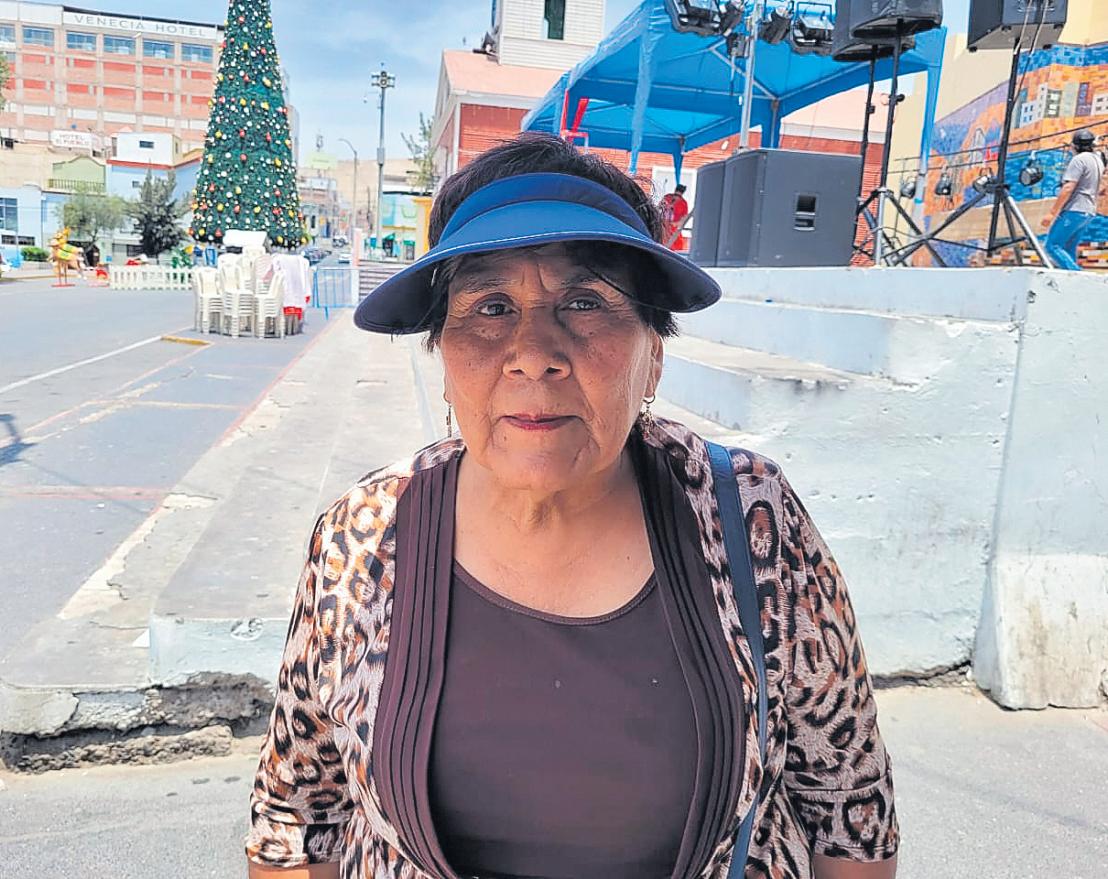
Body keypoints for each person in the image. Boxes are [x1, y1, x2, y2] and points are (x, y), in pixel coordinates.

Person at [245, 133, 898, 879]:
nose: (534, 354)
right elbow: (298, 819)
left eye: (585, 303)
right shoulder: (362, 540)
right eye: (490, 307)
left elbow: (848, 803)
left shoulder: (750, 518)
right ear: (442, 356)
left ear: (655, 353)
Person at [1040, 129, 1105, 270]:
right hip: (1089, 211)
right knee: (1069, 248)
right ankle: (1074, 279)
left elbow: (1068, 187)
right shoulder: (1098, 161)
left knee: (1052, 246)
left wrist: (1052, 213)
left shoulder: (1079, 160)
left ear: (1075, 146)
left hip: (1075, 209)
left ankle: (1080, 276)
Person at [661, 182, 690, 251]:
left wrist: (676, 223)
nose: (676, 197)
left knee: (675, 247)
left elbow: (684, 219)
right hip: (663, 227)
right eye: (675, 195)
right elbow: (660, 207)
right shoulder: (667, 197)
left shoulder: (683, 203)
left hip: (673, 229)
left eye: (679, 196)